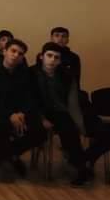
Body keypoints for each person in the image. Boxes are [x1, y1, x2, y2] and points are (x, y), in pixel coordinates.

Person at [31, 42, 94, 187]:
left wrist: (79, 124)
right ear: (41, 57)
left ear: (60, 60)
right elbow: (29, 99)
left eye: (56, 57)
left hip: (59, 111)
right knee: (37, 132)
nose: (52, 60)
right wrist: (41, 118)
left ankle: (80, 168)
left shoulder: (66, 75)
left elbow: (73, 103)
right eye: (49, 56)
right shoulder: (31, 73)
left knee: (70, 131)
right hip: (38, 110)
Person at [0, 39, 43, 177]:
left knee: (39, 131)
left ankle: (8, 153)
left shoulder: (25, 73)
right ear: (4, 51)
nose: (16, 55)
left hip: (19, 112)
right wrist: (10, 114)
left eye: (20, 54)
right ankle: (8, 156)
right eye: (13, 51)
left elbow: (29, 96)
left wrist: (22, 112)